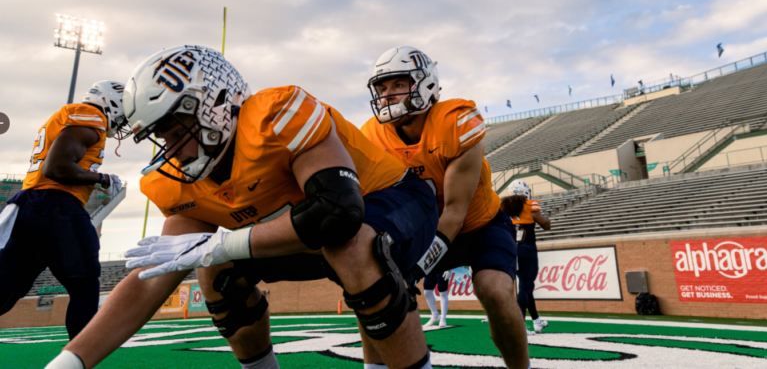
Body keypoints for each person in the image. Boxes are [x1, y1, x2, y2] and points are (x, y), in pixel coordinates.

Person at [45, 46, 439, 369]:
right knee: (213, 269)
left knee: (355, 246)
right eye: (160, 135)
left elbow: (337, 212)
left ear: (214, 103)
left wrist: (222, 244)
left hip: (393, 200)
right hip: (305, 233)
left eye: (175, 127)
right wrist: (71, 362)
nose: (171, 147)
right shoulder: (177, 181)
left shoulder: (275, 117)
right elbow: (154, 276)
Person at [361, 46, 530, 369]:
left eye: (398, 84)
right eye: (382, 88)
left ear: (425, 85)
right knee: (375, 289)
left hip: (480, 225)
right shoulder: (372, 135)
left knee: (494, 290)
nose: (388, 95)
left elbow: (455, 211)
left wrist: (413, 269)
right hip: (424, 226)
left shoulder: (457, 122)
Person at [0, 81, 126, 340]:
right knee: (85, 287)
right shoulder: (91, 115)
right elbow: (56, 167)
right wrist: (100, 179)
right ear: (112, 103)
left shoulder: (73, 115)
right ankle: (79, 359)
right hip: (56, 205)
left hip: (31, 206)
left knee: (7, 288)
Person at [500, 180, 551, 335]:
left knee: (527, 287)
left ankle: (536, 321)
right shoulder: (531, 204)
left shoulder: (503, 207)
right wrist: (546, 218)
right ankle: (519, 325)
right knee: (525, 286)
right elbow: (545, 224)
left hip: (510, 249)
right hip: (526, 248)